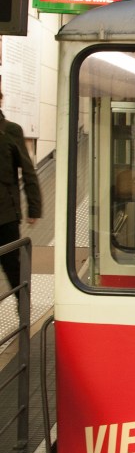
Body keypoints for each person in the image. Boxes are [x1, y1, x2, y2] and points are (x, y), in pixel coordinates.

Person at [0, 92, 42, 299]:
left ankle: (23, 309)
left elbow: (28, 170)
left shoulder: (11, 131)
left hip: (5, 214)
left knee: (12, 268)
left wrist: (34, 208)